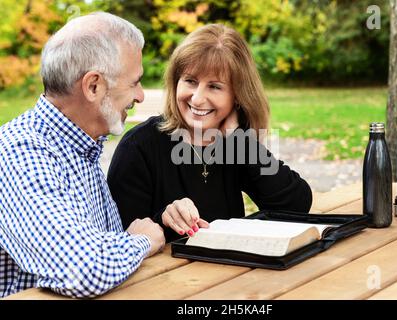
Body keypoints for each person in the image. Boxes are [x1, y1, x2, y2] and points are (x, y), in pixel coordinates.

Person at [0, 12, 165, 299]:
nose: (139, 96)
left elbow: (96, 249)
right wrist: (140, 241)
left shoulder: (80, 144)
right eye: (134, 82)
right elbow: (83, 269)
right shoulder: (20, 153)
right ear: (93, 86)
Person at [107, 24, 312, 242]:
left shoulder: (234, 144)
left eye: (214, 86)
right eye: (190, 81)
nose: (196, 98)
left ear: (238, 96)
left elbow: (296, 207)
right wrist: (164, 220)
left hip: (233, 273)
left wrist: (241, 143)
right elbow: (119, 241)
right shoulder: (138, 147)